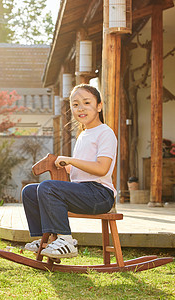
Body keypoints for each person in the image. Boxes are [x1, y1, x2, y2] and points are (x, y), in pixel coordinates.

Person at [22, 84, 117, 259]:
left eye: (86, 102)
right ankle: (45, 239)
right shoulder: (83, 135)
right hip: (82, 191)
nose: (80, 108)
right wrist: (66, 166)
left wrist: (71, 160)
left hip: (100, 194)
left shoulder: (105, 133)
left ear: (99, 106)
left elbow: (102, 168)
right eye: (75, 104)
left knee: (48, 187)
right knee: (30, 191)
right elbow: (82, 167)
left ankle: (66, 240)